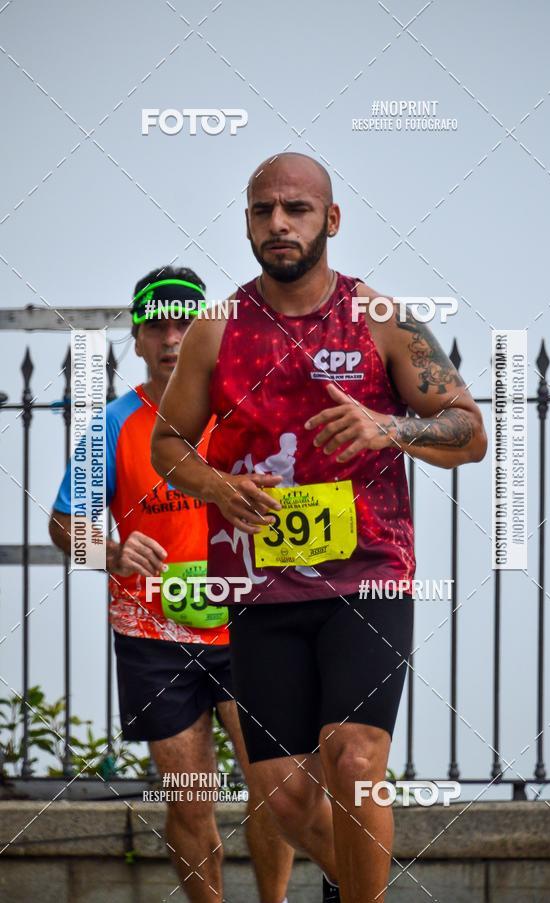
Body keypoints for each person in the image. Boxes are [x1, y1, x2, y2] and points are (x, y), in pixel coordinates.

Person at [151, 155, 488, 903]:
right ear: (246, 222)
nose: (279, 223)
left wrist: (387, 427)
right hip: (259, 587)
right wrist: (220, 485)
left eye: (297, 209)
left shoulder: (380, 319)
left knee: (356, 759)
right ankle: (347, 876)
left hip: (366, 573)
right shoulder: (217, 330)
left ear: (330, 221)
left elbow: (469, 430)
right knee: (287, 799)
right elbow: (167, 445)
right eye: (264, 209)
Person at [48, 266, 293, 903]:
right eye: (157, 325)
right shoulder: (110, 425)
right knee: (189, 804)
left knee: (274, 789)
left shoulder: (242, 412)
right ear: (135, 339)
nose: (172, 338)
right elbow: (62, 525)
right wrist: (111, 550)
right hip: (152, 635)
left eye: (186, 323)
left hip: (248, 621)